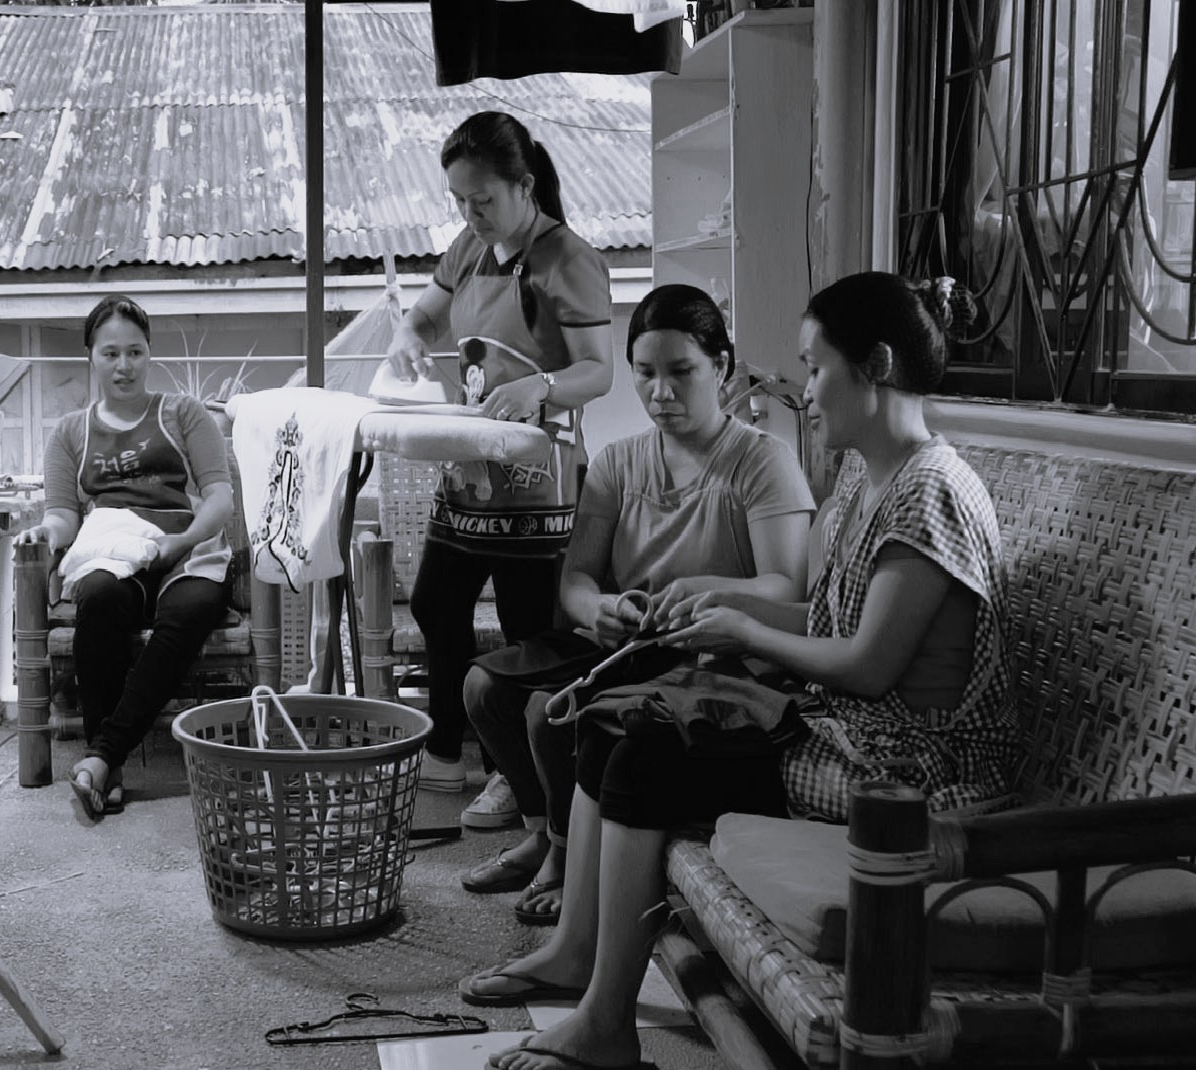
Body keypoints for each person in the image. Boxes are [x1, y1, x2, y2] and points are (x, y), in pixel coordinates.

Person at [462, 273, 1015, 1070]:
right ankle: (580, 957)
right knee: (613, 723)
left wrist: (744, 625)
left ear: (877, 366)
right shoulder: (868, 477)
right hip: (848, 734)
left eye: (815, 368)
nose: (804, 392)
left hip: (909, 771)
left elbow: (866, 666)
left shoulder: (930, 492)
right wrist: (728, 608)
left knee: (644, 758)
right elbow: (834, 623)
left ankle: (606, 1022)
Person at [460, 285, 814, 928]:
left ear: (721, 367)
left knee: (548, 714)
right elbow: (578, 580)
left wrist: (706, 591)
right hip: (626, 644)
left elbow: (788, 586)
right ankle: (544, 831)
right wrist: (597, 608)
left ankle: (565, 856)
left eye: (682, 372)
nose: (661, 392)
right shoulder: (619, 464)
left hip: (710, 656)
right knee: (485, 687)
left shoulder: (763, 462)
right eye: (645, 374)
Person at [384, 110, 615, 815]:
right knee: (435, 602)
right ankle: (445, 751)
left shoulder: (569, 259)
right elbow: (424, 315)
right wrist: (408, 335)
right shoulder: (468, 248)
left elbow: (599, 371)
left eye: (482, 200)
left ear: (524, 185)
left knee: (528, 632)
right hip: (472, 471)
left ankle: (513, 774)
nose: (470, 214)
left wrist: (540, 385)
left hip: (542, 481)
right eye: (459, 200)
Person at [13, 295, 235, 819]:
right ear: (90, 356)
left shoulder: (183, 413)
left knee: (190, 609)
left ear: (149, 354)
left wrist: (181, 542)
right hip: (115, 551)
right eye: (110, 353)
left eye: (135, 352)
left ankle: (102, 757)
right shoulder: (71, 432)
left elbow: (220, 497)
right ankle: (106, 765)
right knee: (97, 598)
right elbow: (63, 515)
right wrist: (45, 531)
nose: (124, 366)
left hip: (185, 549)